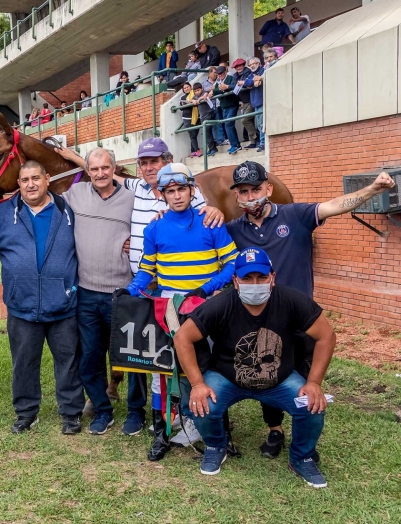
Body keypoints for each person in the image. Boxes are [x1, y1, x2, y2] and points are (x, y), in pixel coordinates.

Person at [225, 162, 396, 460]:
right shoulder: (233, 230)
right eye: (243, 191)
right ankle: (275, 429)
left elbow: (335, 205)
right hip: (263, 318)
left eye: (255, 189)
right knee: (269, 373)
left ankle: (305, 442)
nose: (251, 196)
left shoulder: (295, 215)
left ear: (269, 188)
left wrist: (373, 189)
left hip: (301, 318)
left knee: (306, 380)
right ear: (237, 196)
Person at [175, 247, 335, 487]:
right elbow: (182, 338)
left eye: (261, 277)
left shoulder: (291, 300)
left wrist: (313, 383)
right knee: (202, 403)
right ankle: (216, 446)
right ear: (235, 281)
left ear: (273, 277)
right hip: (227, 377)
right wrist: (198, 384)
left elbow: (327, 336)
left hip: (279, 380)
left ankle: (301, 457)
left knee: (313, 406)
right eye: (247, 278)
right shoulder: (221, 304)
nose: (255, 283)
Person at [0, 160, 84, 435]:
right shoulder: (4, 212)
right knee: (24, 362)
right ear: (18, 184)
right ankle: (26, 413)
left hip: (63, 302)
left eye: (35, 178)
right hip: (23, 304)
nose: (30, 184)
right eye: (24, 180)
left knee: (68, 362)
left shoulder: (66, 209)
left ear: (47, 178)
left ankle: (71, 413)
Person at [115, 138, 225, 451]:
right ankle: (163, 426)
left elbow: (230, 264)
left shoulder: (209, 219)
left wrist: (207, 288)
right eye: (170, 191)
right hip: (169, 306)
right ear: (162, 194)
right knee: (162, 368)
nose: (177, 195)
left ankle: (207, 424)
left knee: (205, 366)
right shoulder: (155, 227)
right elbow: (146, 270)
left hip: (205, 306)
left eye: (182, 189)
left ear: (192, 190)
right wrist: (130, 291)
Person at [55, 147, 143, 436]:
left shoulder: (132, 199)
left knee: (131, 357)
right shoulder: (76, 193)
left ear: (114, 168)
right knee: (90, 356)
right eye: (94, 169)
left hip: (122, 293)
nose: (100, 174)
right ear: (88, 171)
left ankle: (135, 411)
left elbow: (153, 219)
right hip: (87, 292)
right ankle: (103, 410)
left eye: (105, 168)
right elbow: (42, 201)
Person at [180, 82, 216, 158]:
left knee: (207, 133)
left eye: (187, 87)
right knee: (198, 135)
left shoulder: (201, 93)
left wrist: (199, 99)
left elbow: (206, 95)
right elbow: (189, 102)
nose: (197, 92)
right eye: (184, 88)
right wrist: (193, 101)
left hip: (205, 116)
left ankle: (212, 148)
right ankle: (197, 150)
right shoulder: (186, 97)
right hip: (192, 118)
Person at [213, 65, 242, 154]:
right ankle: (235, 144)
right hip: (224, 106)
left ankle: (235, 145)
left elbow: (234, 87)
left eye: (221, 73)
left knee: (229, 124)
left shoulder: (231, 77)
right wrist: (222, 89)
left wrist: (226, 87)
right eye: (218, 74)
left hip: (232, 104)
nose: (220, 75)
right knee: (228, 125)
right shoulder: (218, 81)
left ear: (225, 71)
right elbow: (215, 91)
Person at [232, 58, 259, 149]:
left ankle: (256, 136)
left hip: (251, 99)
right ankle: (253, 142)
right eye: (236, 67)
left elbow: (248, 84)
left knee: (245, 120)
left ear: (243, 65)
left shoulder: (248, 72)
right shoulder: (235, 76)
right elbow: (234, 87)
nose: (238, 68)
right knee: (249, 121)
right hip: (244, 101)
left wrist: (242, 83)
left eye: (240, 66)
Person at [242, 57, 266, 152]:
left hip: (261, 101)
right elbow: (245, 83)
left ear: (259, 63)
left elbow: (249, 82)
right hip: (255, 102)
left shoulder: (262, 70)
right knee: (259, 124)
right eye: (250, 64)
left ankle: (263, 143)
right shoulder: (251, 74)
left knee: (261, 124)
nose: (252, 66)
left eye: (254, 63)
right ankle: (261, 141)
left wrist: (257, 80)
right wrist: (253, 82)